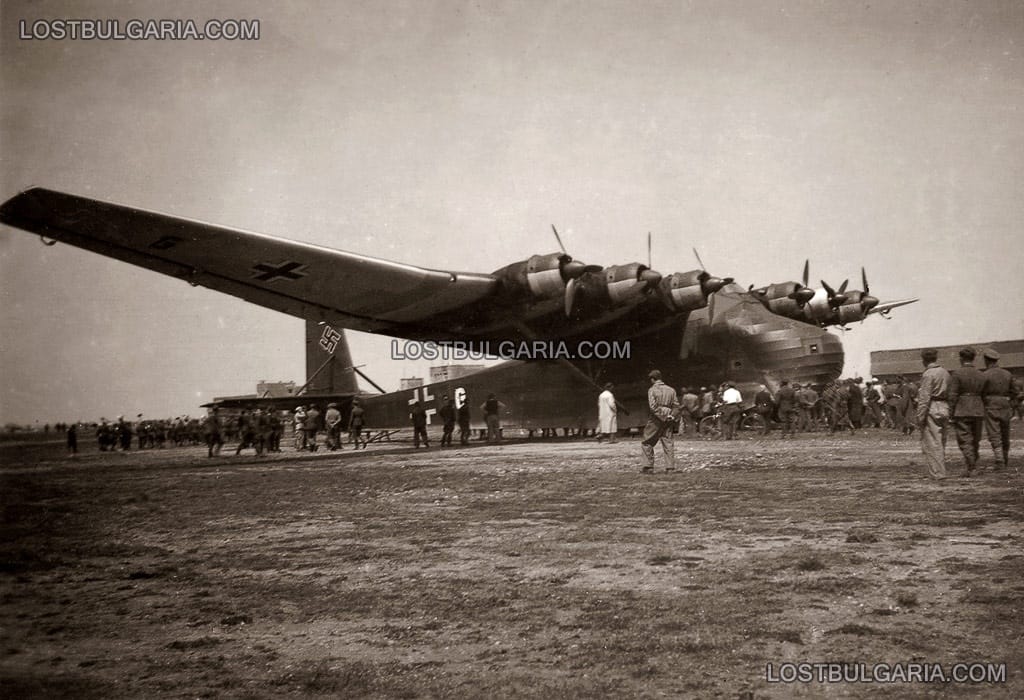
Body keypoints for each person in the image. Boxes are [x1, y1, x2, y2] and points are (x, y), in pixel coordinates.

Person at [948, 347, 986, 477]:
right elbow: (985, 394)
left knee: (964, 439)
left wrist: (951, 412)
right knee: (975, 439)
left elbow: (953, 395)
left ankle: (972, 467)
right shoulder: (981, 374)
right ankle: (972, 466)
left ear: (961, 359)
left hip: (962, 410)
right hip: (978, 409)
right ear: (973, 358)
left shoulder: (957, 374)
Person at [916, 348, 950, 480]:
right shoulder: (945, 372)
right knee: (941, 442)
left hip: (932, 407)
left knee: (932, 442)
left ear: (924, 360)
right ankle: (940, 471)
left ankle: (937, 473)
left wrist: (920, 417)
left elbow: (924, 398)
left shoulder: (928, 374)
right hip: (944, 406)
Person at [980, 349, 1015, 471]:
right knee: (1005, 433)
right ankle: (1005, 459)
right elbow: (1015, 392)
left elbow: (981, 392)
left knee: (994, 434)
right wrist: (1012, 404)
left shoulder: (984, 375)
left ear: (987, 360)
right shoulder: (1008, 374)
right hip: (1005, 404)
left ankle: (999, 461)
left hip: (991, 405)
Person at [641, 369, 680, 472]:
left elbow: (653, 407)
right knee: (668, 442)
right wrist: (671, 416)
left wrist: (662, 416)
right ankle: (670, 467)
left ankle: (648, 466)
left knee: (647, 441)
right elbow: (676, 406)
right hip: (669, 415)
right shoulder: (671, 390)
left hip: (656, 417)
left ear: (652, 379)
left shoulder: (652, 390)